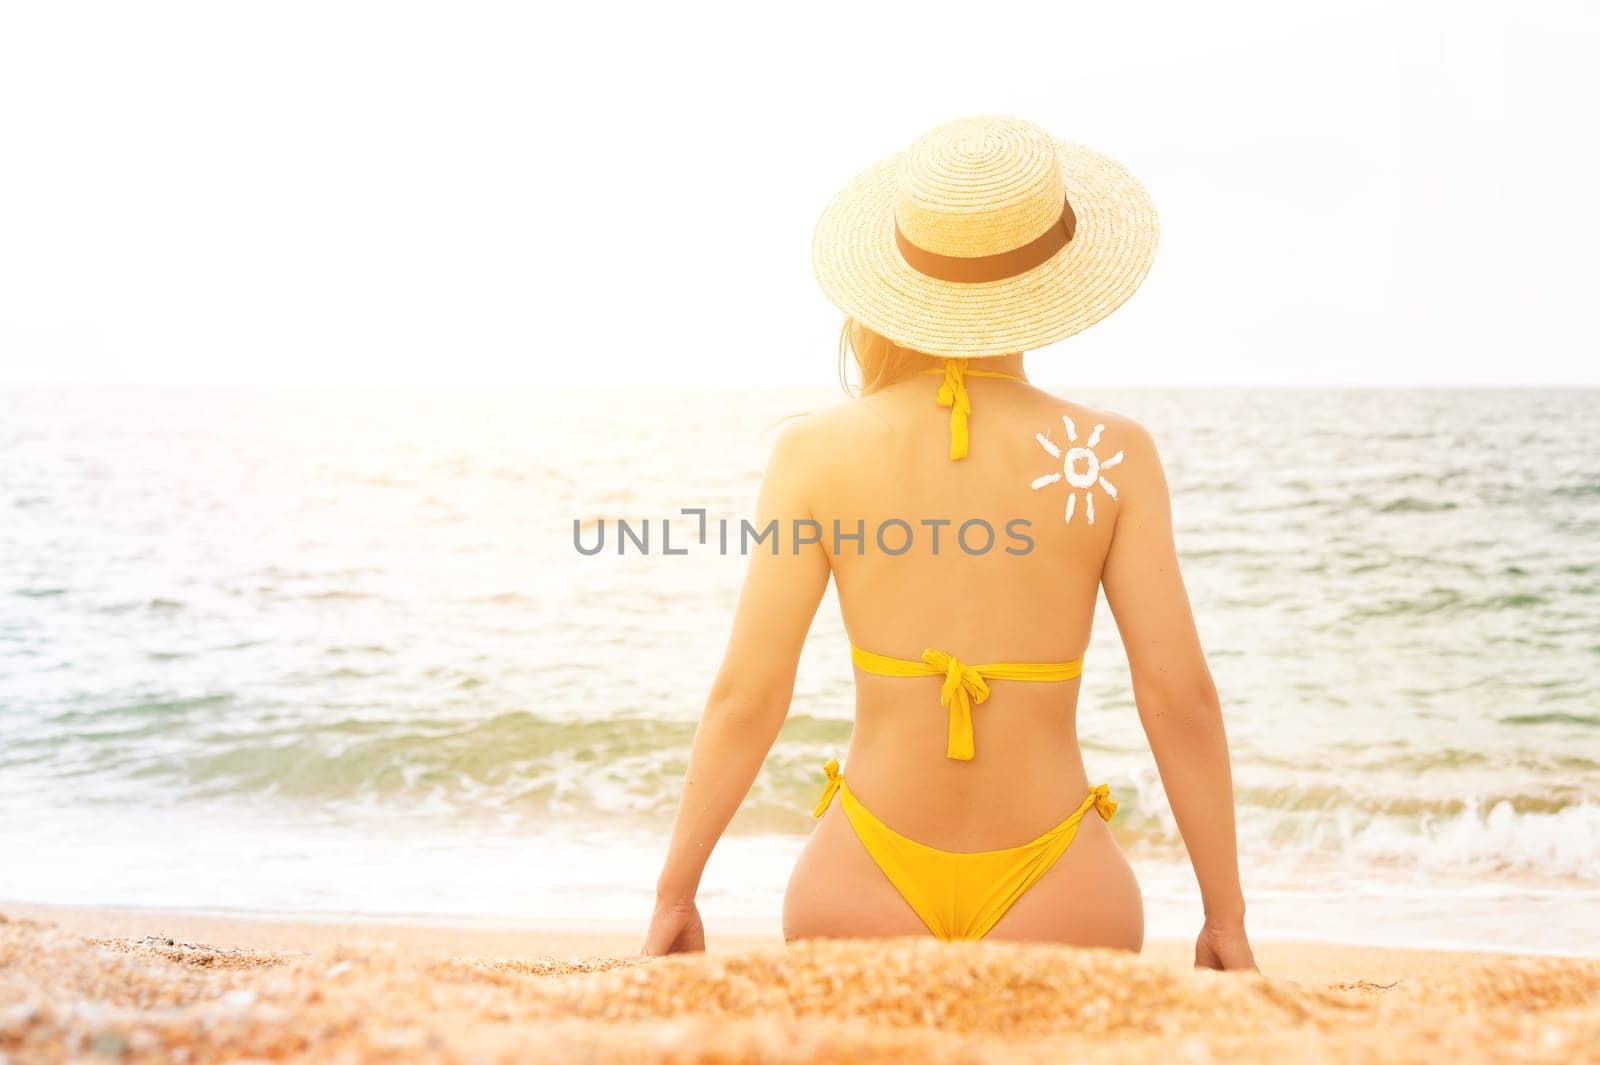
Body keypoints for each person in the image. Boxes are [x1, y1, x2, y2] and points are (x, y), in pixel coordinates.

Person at [643, 115, 1256, 971]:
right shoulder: (1114, 456)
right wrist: (1225, 917)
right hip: (1063, 885)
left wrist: (676, 892)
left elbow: (748, 692)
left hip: (858, 877)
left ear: (898, 273)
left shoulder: (814, 452)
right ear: (1047, 276)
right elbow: (1179, 696)